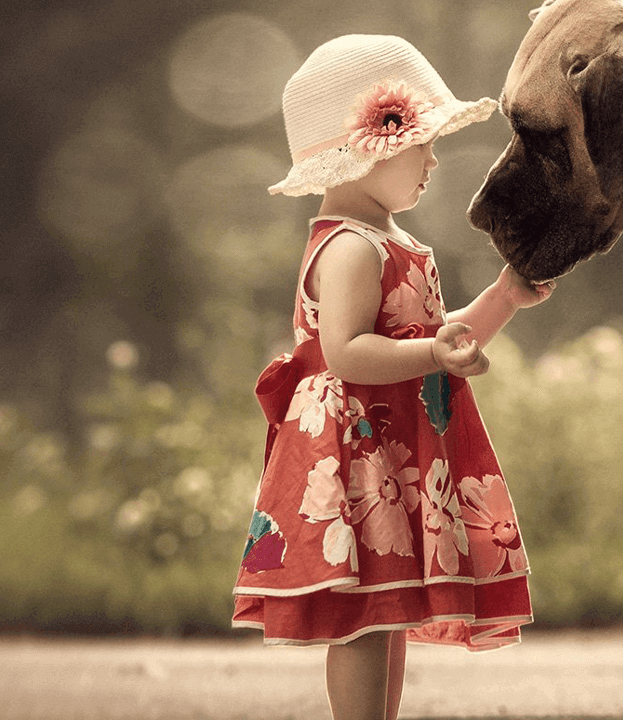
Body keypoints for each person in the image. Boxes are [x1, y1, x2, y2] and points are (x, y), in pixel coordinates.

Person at [232, 35, 554, 720]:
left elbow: (434, 334)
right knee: (361, 614)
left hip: (398, 443)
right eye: (423, 143)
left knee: (391, 604)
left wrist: (501, 299)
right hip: (356, 448)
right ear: (370, 144)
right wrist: (437, 355)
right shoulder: (350, 246)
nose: (434, 160)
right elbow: (348, 352)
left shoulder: (391, 239)